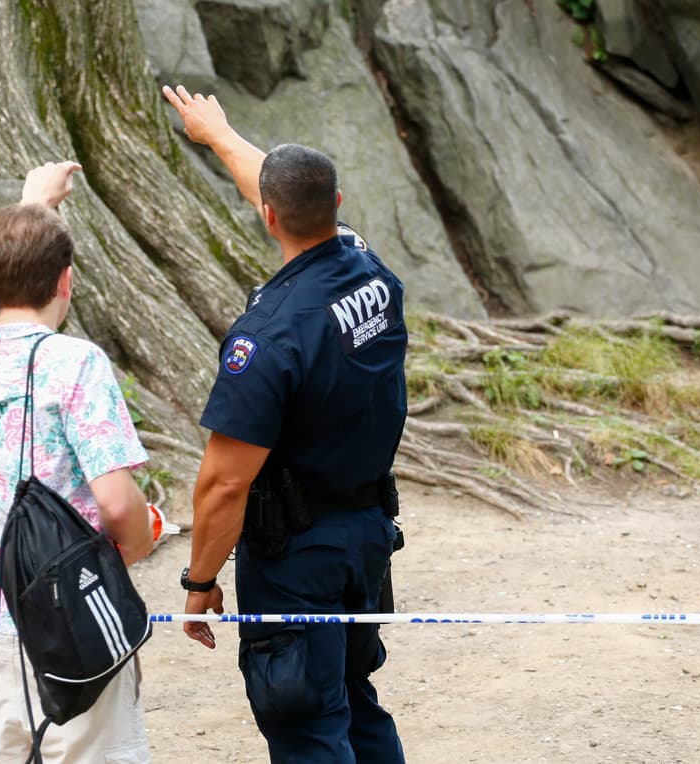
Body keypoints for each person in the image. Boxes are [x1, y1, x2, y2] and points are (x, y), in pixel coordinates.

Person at [163, 84, 408, 763]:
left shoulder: (267, 340)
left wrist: (200, 581)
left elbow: (222, 486)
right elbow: (279, 187)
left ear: (269, 218)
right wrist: (218, 136)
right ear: (336, 205)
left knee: (309, 732)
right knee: (356, 704)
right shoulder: (371, 271)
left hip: (298, 559)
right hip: (365, 538)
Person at [0, 161, 156, 763]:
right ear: (67, 283)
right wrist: (132, 544)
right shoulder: (75, 364)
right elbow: (117, 503)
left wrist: (31, 205)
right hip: (72, 629)